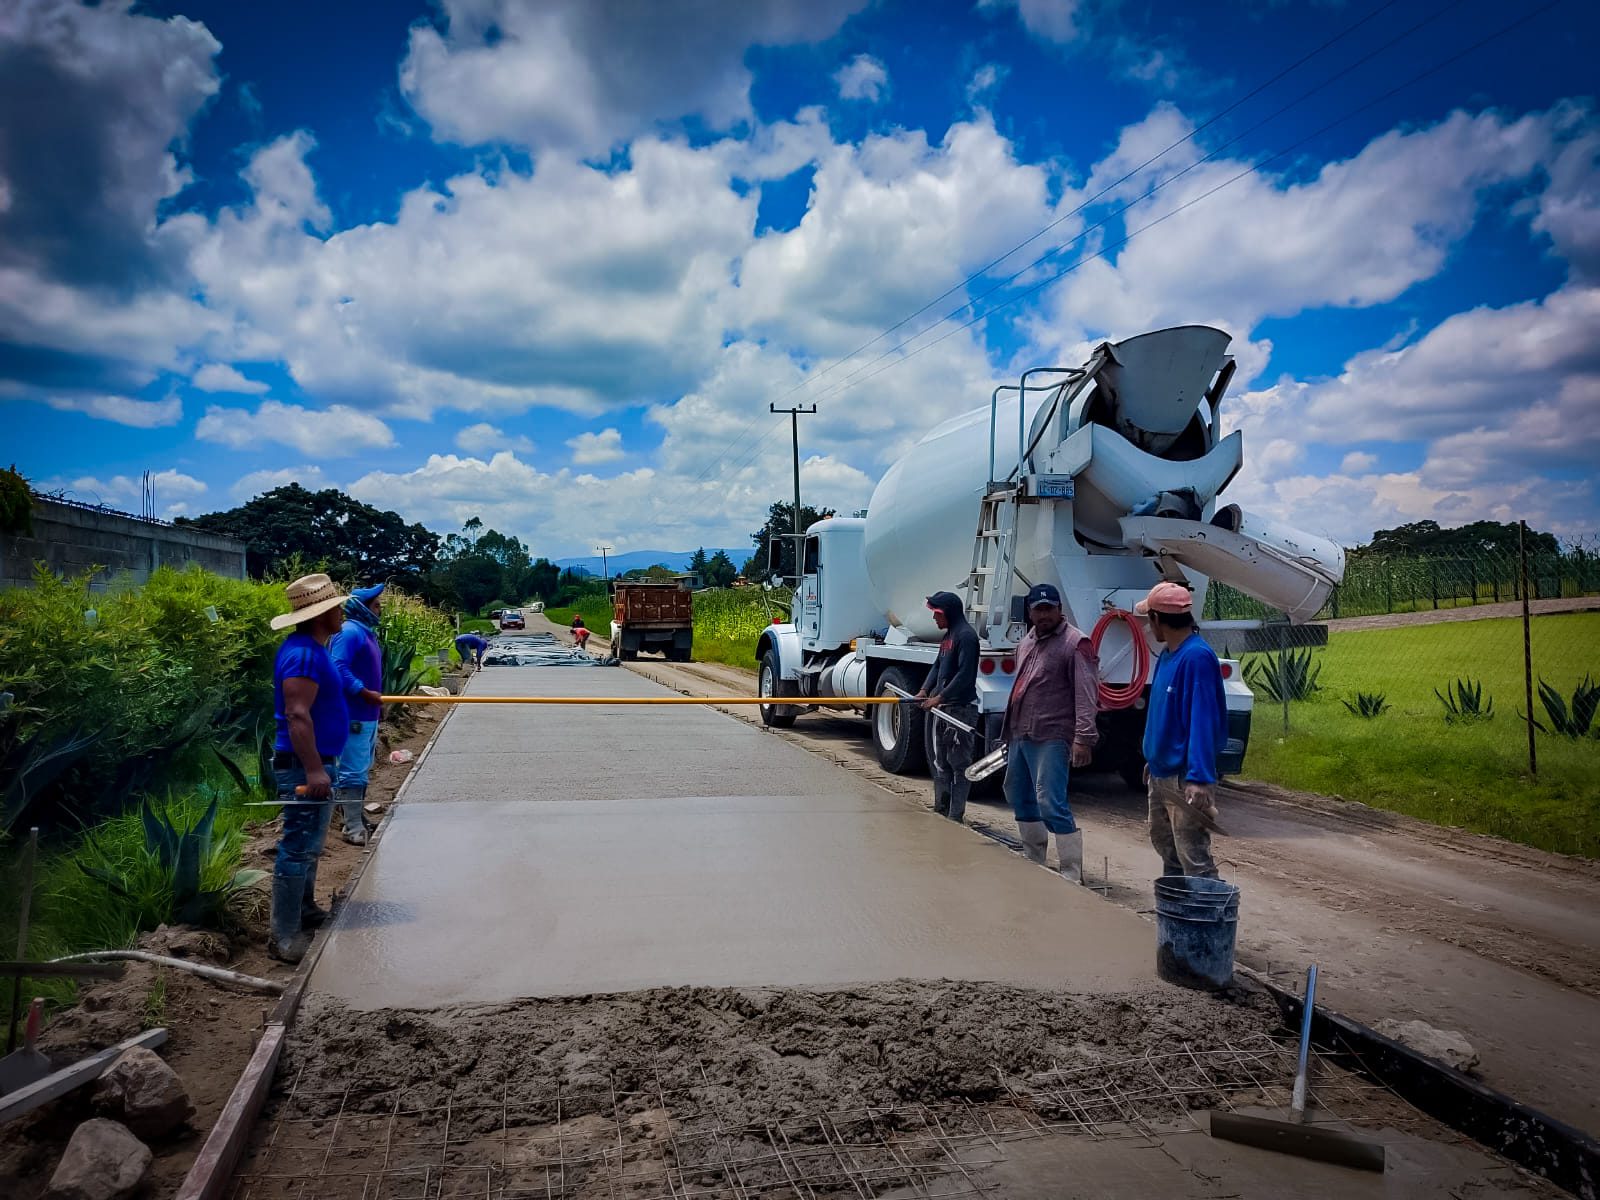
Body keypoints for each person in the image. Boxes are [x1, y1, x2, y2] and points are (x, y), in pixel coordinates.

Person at [267, 573, 351, 963]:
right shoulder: (302, 654)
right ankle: (284, 936)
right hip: (304, 766)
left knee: (309, 847)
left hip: (314, 762)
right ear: (321, 614)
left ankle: (305, 911)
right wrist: (315, 770)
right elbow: (297, 714)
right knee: (297, 847)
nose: (342, 612)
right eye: (336, 606)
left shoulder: (312, 648)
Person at [1000, 583, 1099, 881]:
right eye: (1037, 609)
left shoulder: (1075, 643)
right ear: (1029, 612)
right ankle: (1033, 858)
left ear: (1059, 609)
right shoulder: (1027, 641)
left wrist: (1083, 738)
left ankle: (1071, 871)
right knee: (1018, 795)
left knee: (1050, 802)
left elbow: (1086, 694)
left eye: (1048, 608)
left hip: (1052, 735)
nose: (1043, 615)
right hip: (1021, 732)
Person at [1136, 581, 1227, 879]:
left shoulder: (1196, 658)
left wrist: (1199, 778)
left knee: (1193, 855)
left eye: (1149, 620)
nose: (1150, 628)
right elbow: (1162, 714)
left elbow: (1203, 720)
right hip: (1162, 771)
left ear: (1157, 619)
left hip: (1184, 777)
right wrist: (1154, 756)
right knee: (1167, 847)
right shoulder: (1167, 655)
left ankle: (1207, 920)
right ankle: (1175, 916)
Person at [915, 592, 980, 824]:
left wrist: (939, 697)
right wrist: (924, 690)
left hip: (960, 711)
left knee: (959, 766)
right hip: (944, 710)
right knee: (940, 763)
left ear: (946, 613)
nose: (934, 619)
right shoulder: (948, 637)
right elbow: (938, 665)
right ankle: (941, 810)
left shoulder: (966, 637)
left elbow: (965, 676)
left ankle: (955, 817)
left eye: (935, 614)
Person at [328, 583, 385, 847]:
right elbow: (337, 667)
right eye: (375, 605)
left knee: (362, 767)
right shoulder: (350, 632)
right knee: (352, 769)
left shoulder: (366, 633)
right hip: (353, 714)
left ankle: (356, 817)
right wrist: (362, 691)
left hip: (367, 713)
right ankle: (352, 828)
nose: (380, 608)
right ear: (362, 608)